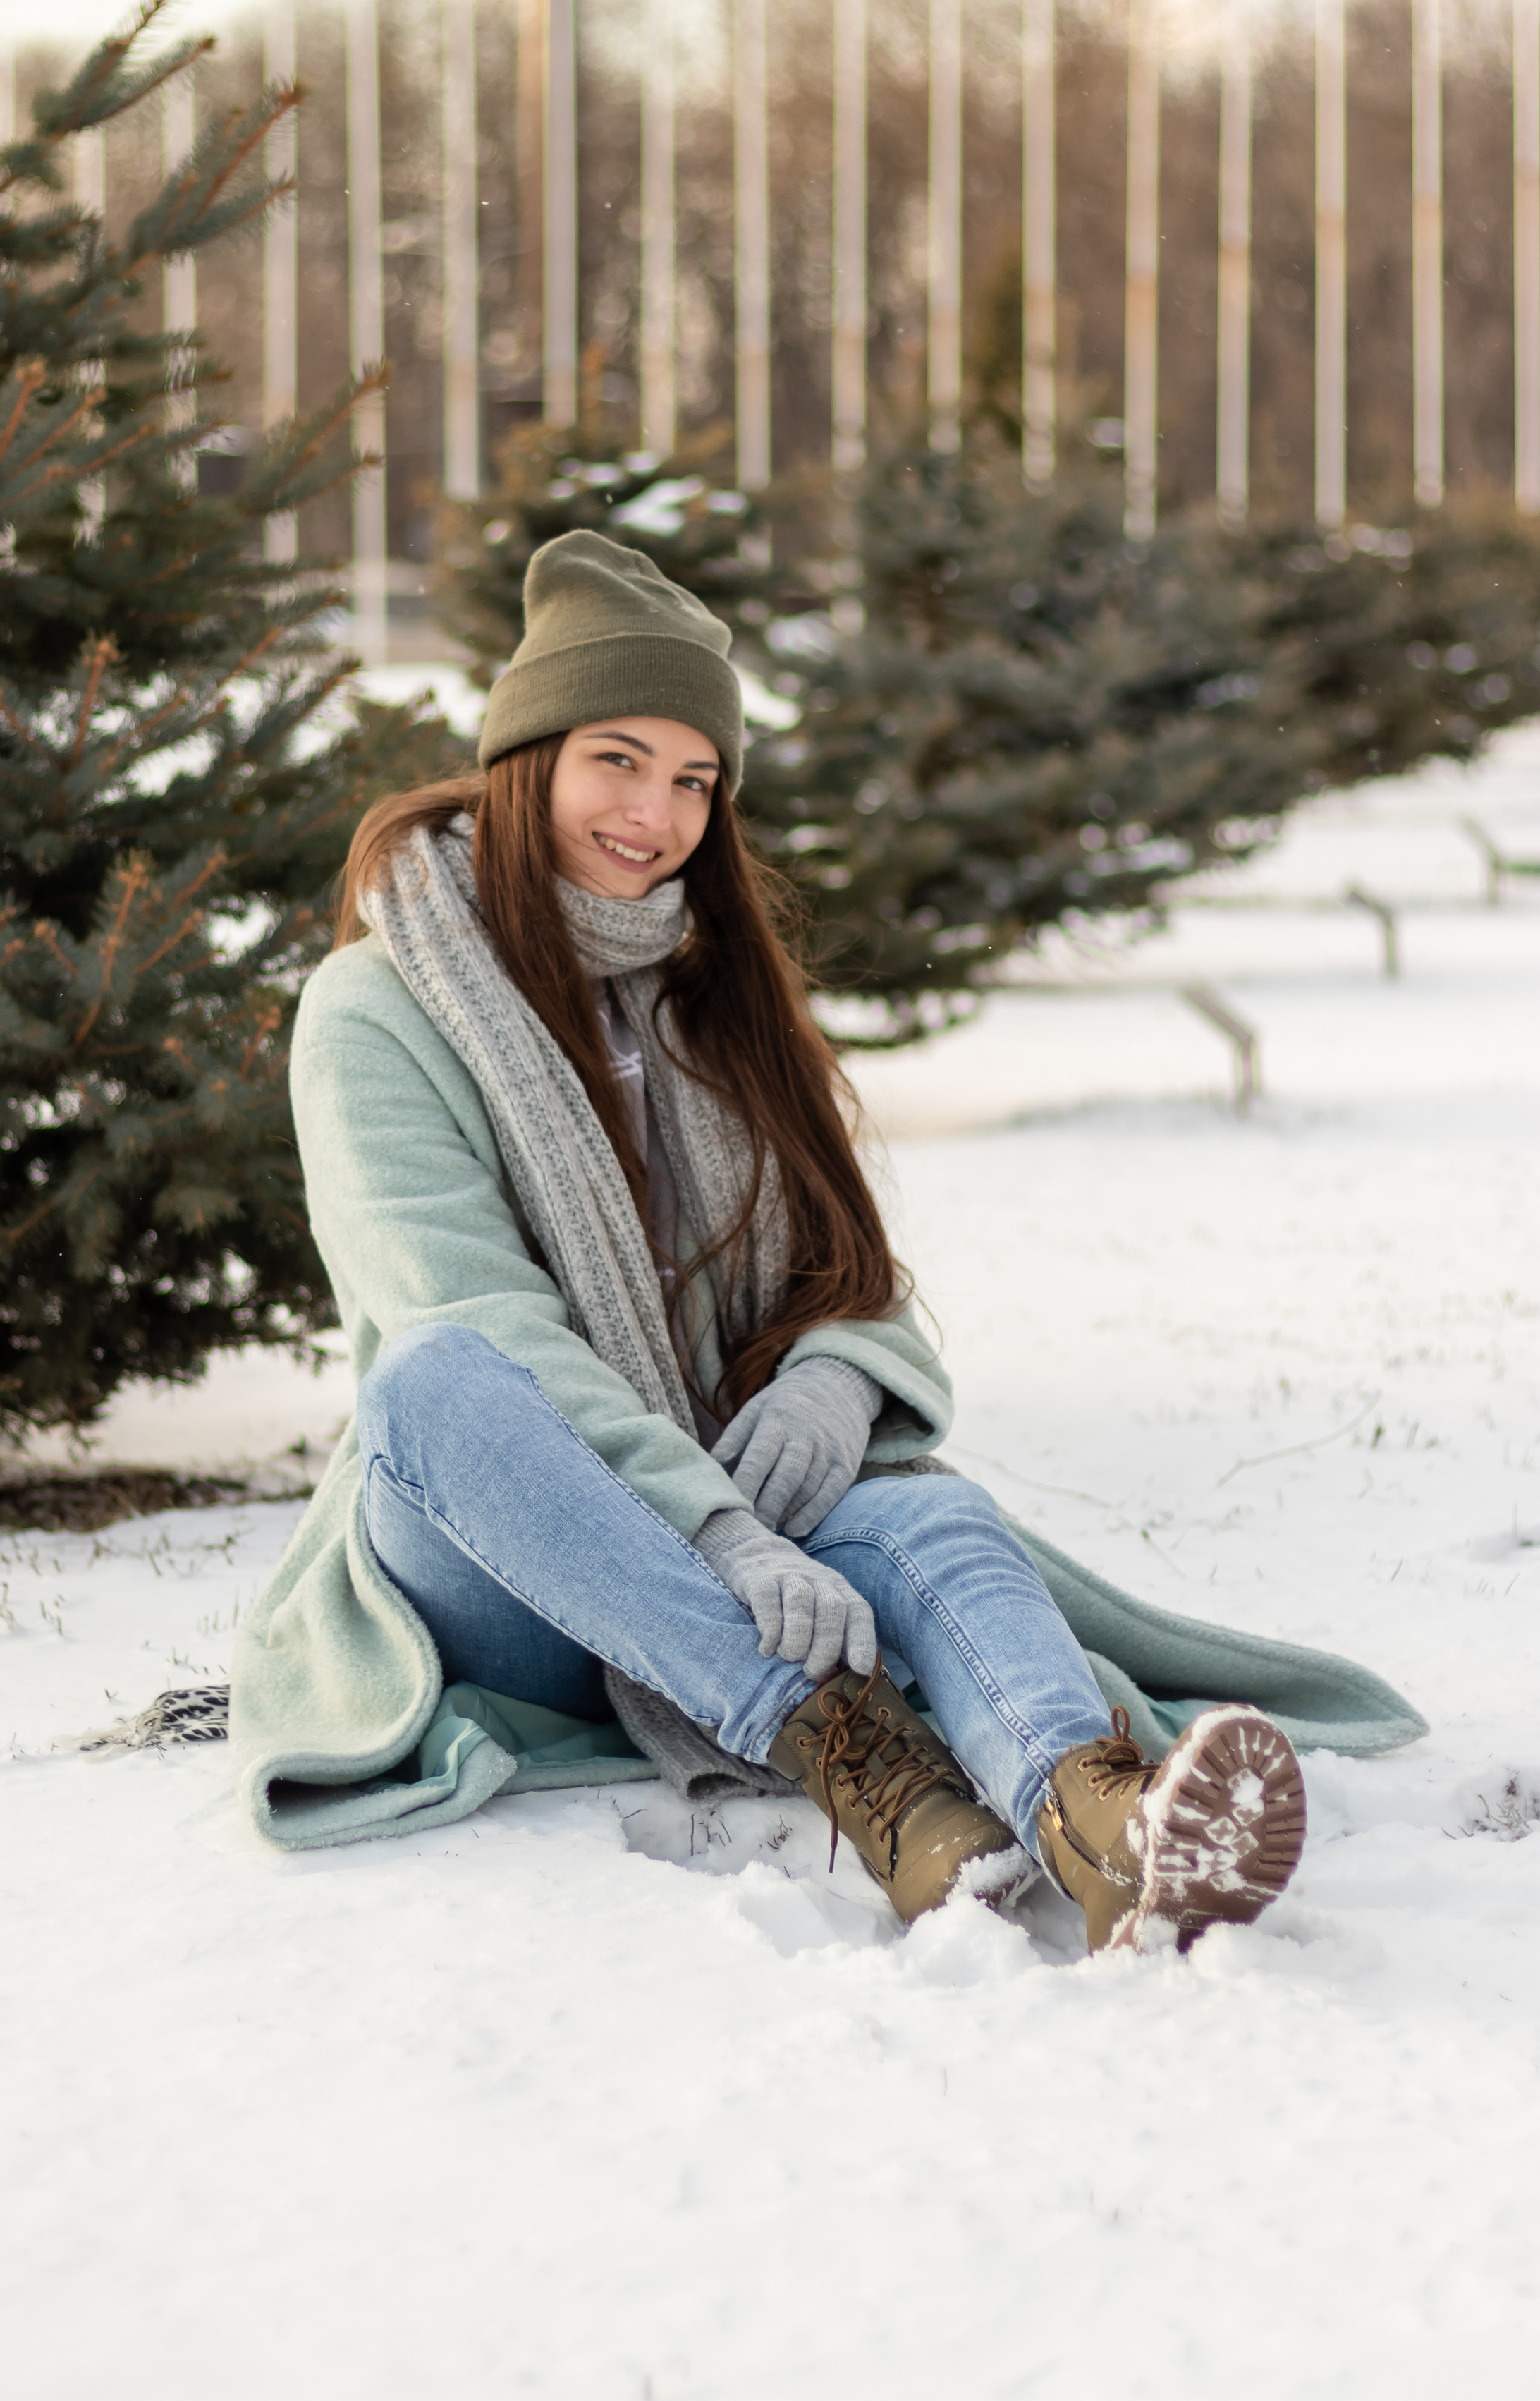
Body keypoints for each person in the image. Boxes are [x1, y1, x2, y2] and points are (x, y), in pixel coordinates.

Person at [239, 529, 1319, 1951]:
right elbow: (470, 1315)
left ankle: (1092, 1807)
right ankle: (851, 1758)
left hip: (752, 1518)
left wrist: (829, 1382)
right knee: (429, 1382)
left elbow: (847, 1273)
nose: (657, 812)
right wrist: (714, 1528)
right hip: (504, 1564)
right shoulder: (376, 1006)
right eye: (615, 760)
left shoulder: (711, 1006)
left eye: (694, 780)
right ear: (527, 763)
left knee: (927, 1512)